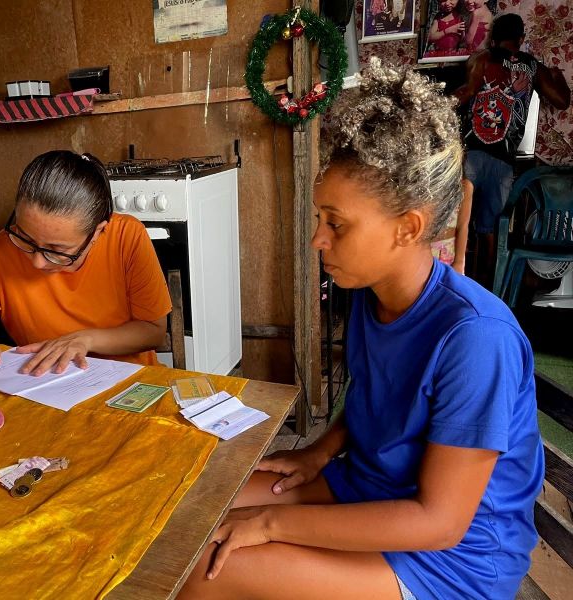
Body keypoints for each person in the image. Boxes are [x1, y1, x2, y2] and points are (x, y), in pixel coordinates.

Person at [179, 58, 543, 600]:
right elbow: (381, 396)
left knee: (213, 563)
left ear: (408, 228)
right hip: (369, 488)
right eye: (320, 219)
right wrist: (321, 450)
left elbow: (439, 521)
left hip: (450, 557)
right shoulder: (372, 297)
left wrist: (273, 525)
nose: (318, 240)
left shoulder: (475, 338)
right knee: (196, 511)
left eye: (337, 224)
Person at [0, 151, 172, 376]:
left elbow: (153, 330)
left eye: (57, 251)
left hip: (131, 383)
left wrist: (85, 339)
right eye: (25, 238)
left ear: (97, 232)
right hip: (45, 388)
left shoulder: (126, 236)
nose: (37, 262)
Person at [454, 12, 571, 287]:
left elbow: (466, 93)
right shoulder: (532, 66)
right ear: (521, 39)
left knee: (459, 224)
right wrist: (558, 77)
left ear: (493, 37)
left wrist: (430, 106)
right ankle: (490, 289)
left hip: (471, 152)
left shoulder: (481, 59)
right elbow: (562, 101)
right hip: (504, 160)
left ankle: (456, 284)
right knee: (492, 230)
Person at [430, 178, 472, 274]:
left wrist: (459, 262)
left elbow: (463, 226)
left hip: (447, 253)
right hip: (423, 252)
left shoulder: (464, 186)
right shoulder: (427, 182)